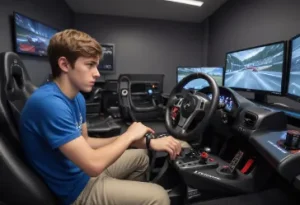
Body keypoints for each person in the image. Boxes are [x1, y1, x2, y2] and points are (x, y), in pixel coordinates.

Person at [19, 29, 184, 205]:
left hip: (81, 171)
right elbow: (93, 165)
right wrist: (129, 136)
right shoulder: (49, 103)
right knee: (159, 197)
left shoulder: (77, 98)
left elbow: (86, 141)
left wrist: (132, 140)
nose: (97, 73)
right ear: (65, 65)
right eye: (90, 65)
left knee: (141, 157)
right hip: (75, 190)